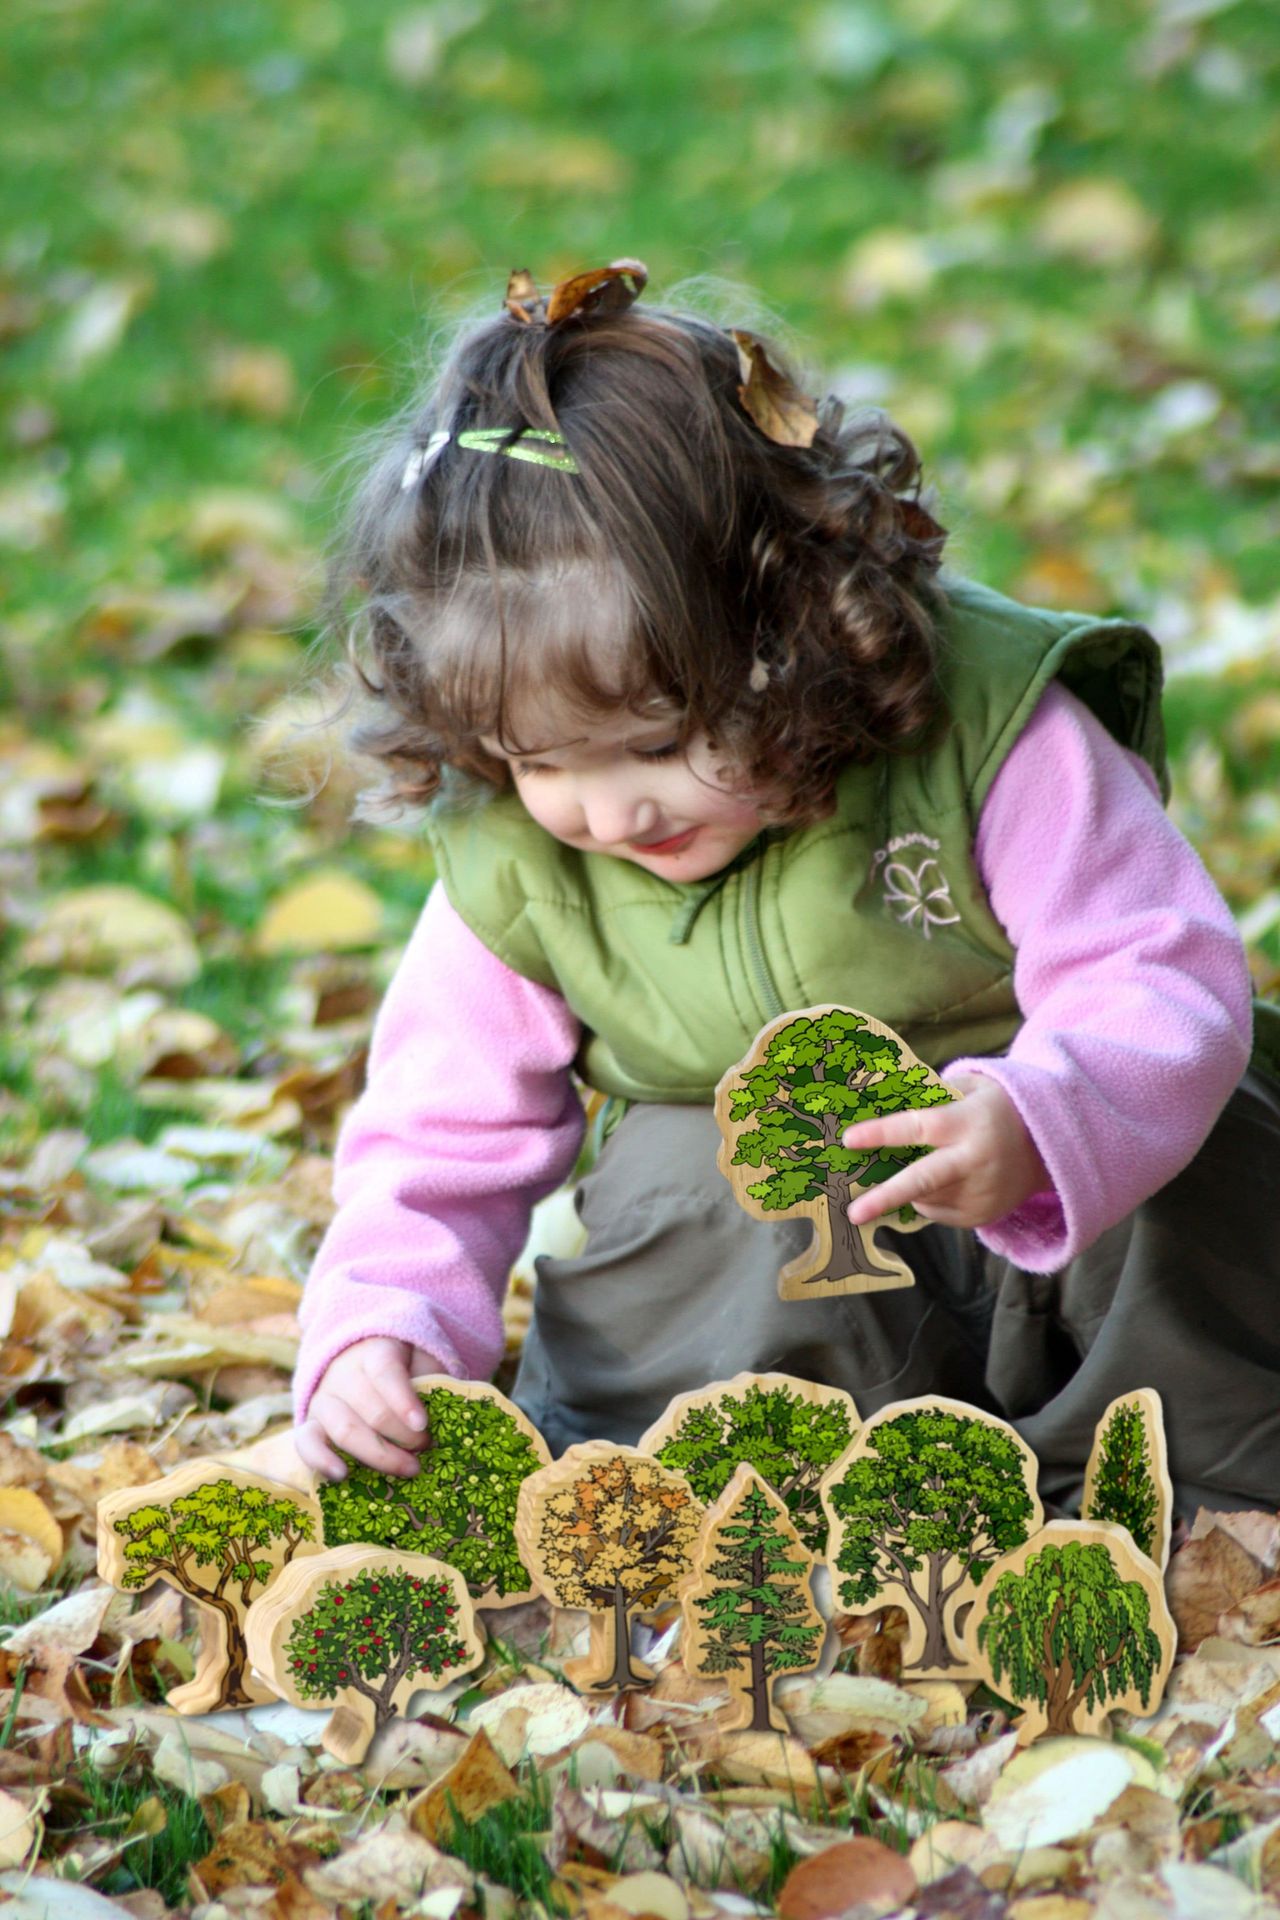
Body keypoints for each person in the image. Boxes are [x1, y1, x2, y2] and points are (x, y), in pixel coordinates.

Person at [292, 259, 1280, 1515]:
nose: (612, 808)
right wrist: (381, 1320)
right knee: (689, 1188)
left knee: (1192, 1183)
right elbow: (440, 1133)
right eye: (544, 761)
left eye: (660, 741)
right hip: (786, 1260)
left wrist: (1044, 1118)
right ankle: (785, 1490)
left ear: (795, 628)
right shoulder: (517, 860)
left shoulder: (988, 732)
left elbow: (1157, 969)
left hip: (1058, 1153)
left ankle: (1180, 1494)